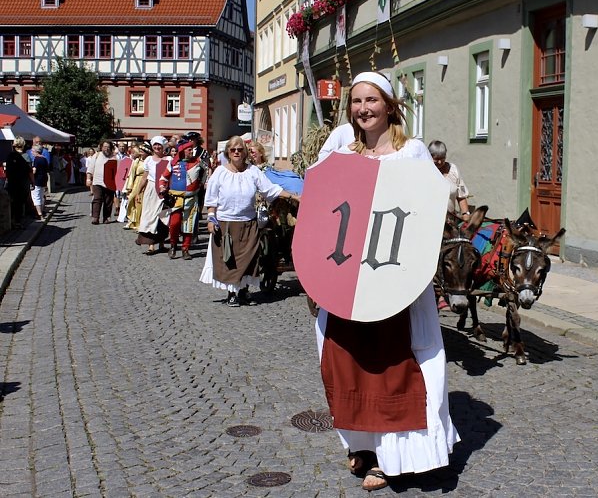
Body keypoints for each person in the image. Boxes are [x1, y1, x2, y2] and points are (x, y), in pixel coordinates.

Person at [312, 71, 459, 492]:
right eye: (356, 102)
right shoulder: (345, 153)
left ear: (390, 105)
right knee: (346, 360)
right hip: (350, 281)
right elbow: (324, 208)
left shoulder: (412, 152)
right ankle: (364, 443)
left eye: (371, 100)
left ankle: (395, 457)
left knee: (397, 365)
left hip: (398, 281)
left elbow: (431, 211)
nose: (363, 109)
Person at [203, 136, 299, 307]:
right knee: (229, 259)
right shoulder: (220, 172)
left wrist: (295, 196)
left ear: (245, 152)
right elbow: (211, 200)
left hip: (248, 222)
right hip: (226, 223)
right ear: (228, 153)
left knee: (249, 259)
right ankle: (232, 293)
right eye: (233, 150)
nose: (237, 152)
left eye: (240, 149)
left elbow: (270, 189)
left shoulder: (253, 172)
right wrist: (211, 218)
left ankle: (243, 291)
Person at [158, 139, 203, 260]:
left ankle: (185, 249)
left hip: (191, 198)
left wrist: (204, 184)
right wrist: (162, 186)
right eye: (189, 150)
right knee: (174, 223)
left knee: (189, 225)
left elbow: (206, 174)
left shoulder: (198, 162)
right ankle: (173, 245)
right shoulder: (173, 163)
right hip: (175, 199)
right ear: (183, 151)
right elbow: (163, 177)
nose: (192, 151)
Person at [136, 136, 169, 254]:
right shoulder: (149, 160)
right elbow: (144, 177)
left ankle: (162, 243)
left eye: (159, 145)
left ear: (163, 146)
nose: (157, 147)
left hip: (164, 190)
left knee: (163, 217)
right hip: (151, 189)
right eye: (155, 145)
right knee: (149, 216)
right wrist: (138, 192)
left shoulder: (169, 159)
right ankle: (151, 245)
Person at [427, 140, 471, 219]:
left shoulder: (453, 169)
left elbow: (461, 196)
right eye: (436, 159)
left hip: (450, 220)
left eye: (442, 158)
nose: (440, 162)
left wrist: (465, 214)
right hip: (430, 219)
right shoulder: (425, 171)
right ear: (430, 156)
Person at [5, 137, 34, 229]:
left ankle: (11, 221)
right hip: (23, 183)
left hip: (12, 182)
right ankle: (17, 221)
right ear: (23, 144)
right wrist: (33, 182)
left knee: (13, 202)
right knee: (20, 203)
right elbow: (30, 171)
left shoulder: (10, 156)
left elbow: (8, 170)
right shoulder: (26, 156)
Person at [86, 140, 117, 224]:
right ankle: (95, 217)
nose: (106, 149)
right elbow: (90, 168)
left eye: (108, 147)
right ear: (101, 147)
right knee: (97, 199)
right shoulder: (96, 156)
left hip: (110, 182)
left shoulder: (114, 157)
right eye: (105, 147)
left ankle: (106, 217)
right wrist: (88, 179)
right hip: (97, 182)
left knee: (108, 201)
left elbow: (117, 171)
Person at [123, 144, 148, 230]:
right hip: (136, 181)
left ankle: (139, 223)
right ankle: (131, 220)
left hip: (146, 182)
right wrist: (129, 187)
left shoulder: (148, 161)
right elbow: (132, 174)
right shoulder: (137, 161)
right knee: (131, 200)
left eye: (143, 151)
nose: (141, 153)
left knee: (140, 203)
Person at [30, 144, 50, 220]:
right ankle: (41, 211)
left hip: (37, 180)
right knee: (41, 196)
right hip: (44, 179)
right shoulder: (44, 159)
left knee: (36, 197)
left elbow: (34, 170)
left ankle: (39, 214)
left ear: (36, 151)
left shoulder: (36, 159)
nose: (32, 152)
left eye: (32, 150)